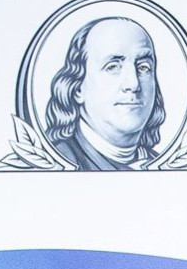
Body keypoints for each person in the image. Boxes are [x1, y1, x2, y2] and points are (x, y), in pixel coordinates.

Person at [44, 17, 166, 171]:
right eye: (112, 67)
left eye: (143, 67)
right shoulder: (58, 164)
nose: (133, 84)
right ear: (78, 88)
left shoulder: (162, 166)